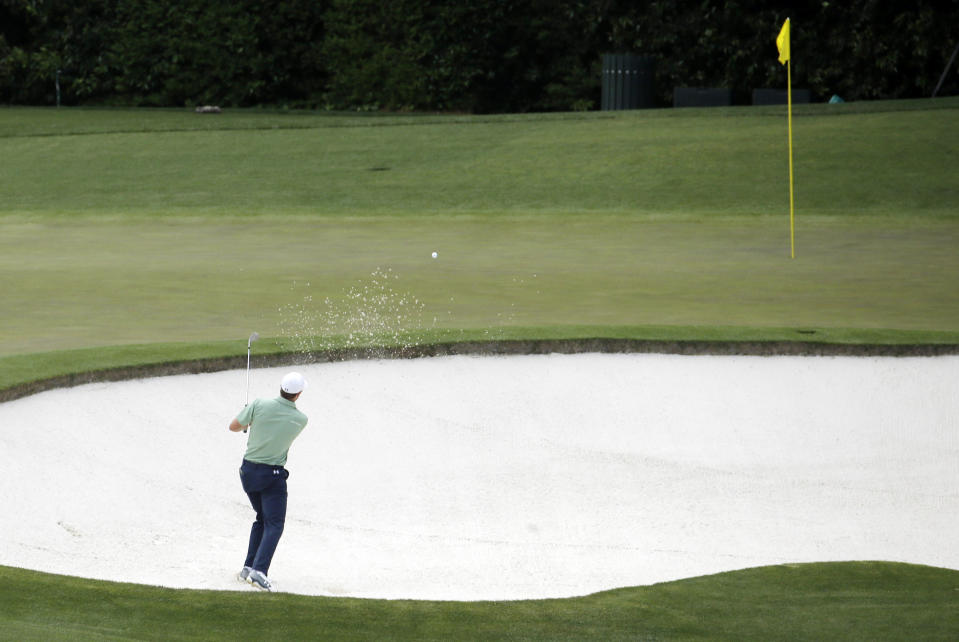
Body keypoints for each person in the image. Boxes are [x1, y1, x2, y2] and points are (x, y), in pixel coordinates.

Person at [229, 371, 309, 591]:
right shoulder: (301, 420)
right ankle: (259, 571)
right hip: (272, 476)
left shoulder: (258, 404)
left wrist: (249, 417)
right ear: (298, 394)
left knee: (262, 519)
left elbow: (234, 426)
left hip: (248, 472)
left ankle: (248, 568)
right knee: (274, 524)